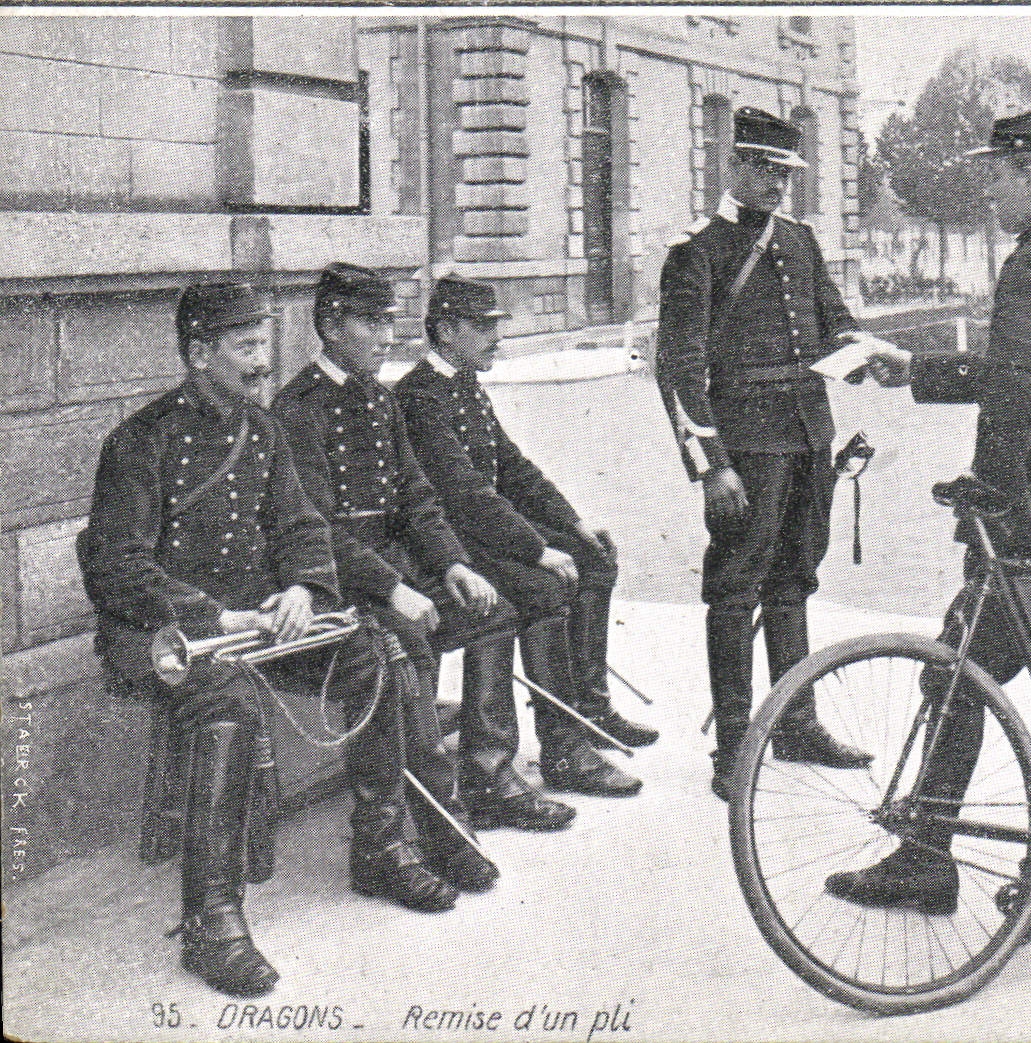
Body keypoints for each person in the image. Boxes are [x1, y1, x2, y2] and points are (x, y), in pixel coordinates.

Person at [77, 282, 472, 999]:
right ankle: (212, 919)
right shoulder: (141, 439)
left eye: (264, 344)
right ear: (200, 353)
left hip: (260, 622)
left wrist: (303, 590)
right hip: (161, 635)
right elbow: (114, 564)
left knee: (376, 652)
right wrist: (212, 616)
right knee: (227, 702)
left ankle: (381, 846)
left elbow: (301, 528)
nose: (263, 361)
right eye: (246, 346)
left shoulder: (263, 431)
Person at [826, 109, 1031, 919]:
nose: (989, 193)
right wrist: (917, 368)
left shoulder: (1029, 266)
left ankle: (925, 859)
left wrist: (990, 497)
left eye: (998, 177)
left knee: (956, 672)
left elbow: (1015, 391)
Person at [273, 263, 585, 836]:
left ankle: (488, 776)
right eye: (371, 323)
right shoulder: (298, 409)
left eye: (389, 321)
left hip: (396, 569)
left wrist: (453, 564)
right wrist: (394, 588)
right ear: (331, 327)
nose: (386, 336)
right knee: (410, 636)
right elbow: (316, 528)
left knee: (492, 610)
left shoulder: (379, 399)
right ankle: (432, 810)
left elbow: (417, 499)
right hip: (342, 581)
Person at [655, 106, 873, 799]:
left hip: (809, 433)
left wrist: (859, 351)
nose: (778, 183)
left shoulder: (800, 240)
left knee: (794, 578)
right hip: (745, 444)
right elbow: (679, 368)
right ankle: (734, 746)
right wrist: (711, 465)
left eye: (785, 173)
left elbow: (834, 321)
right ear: (735, 166)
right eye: (764, 169)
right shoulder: (697, 250)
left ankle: (796, 723)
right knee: (734, 587)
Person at [395, 274, 647, 802]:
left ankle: (589, 706)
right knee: (544, 588)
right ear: (446, 331)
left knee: (594, 558)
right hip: (451, 543)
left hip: (483, 531)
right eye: (482, 326)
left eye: (496, 325)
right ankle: (564, 748)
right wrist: (537, 549)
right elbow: (464, 493)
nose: (496, 337)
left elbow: (512, 468)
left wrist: (572, 524)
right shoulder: (421, 396)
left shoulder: (464, 382)